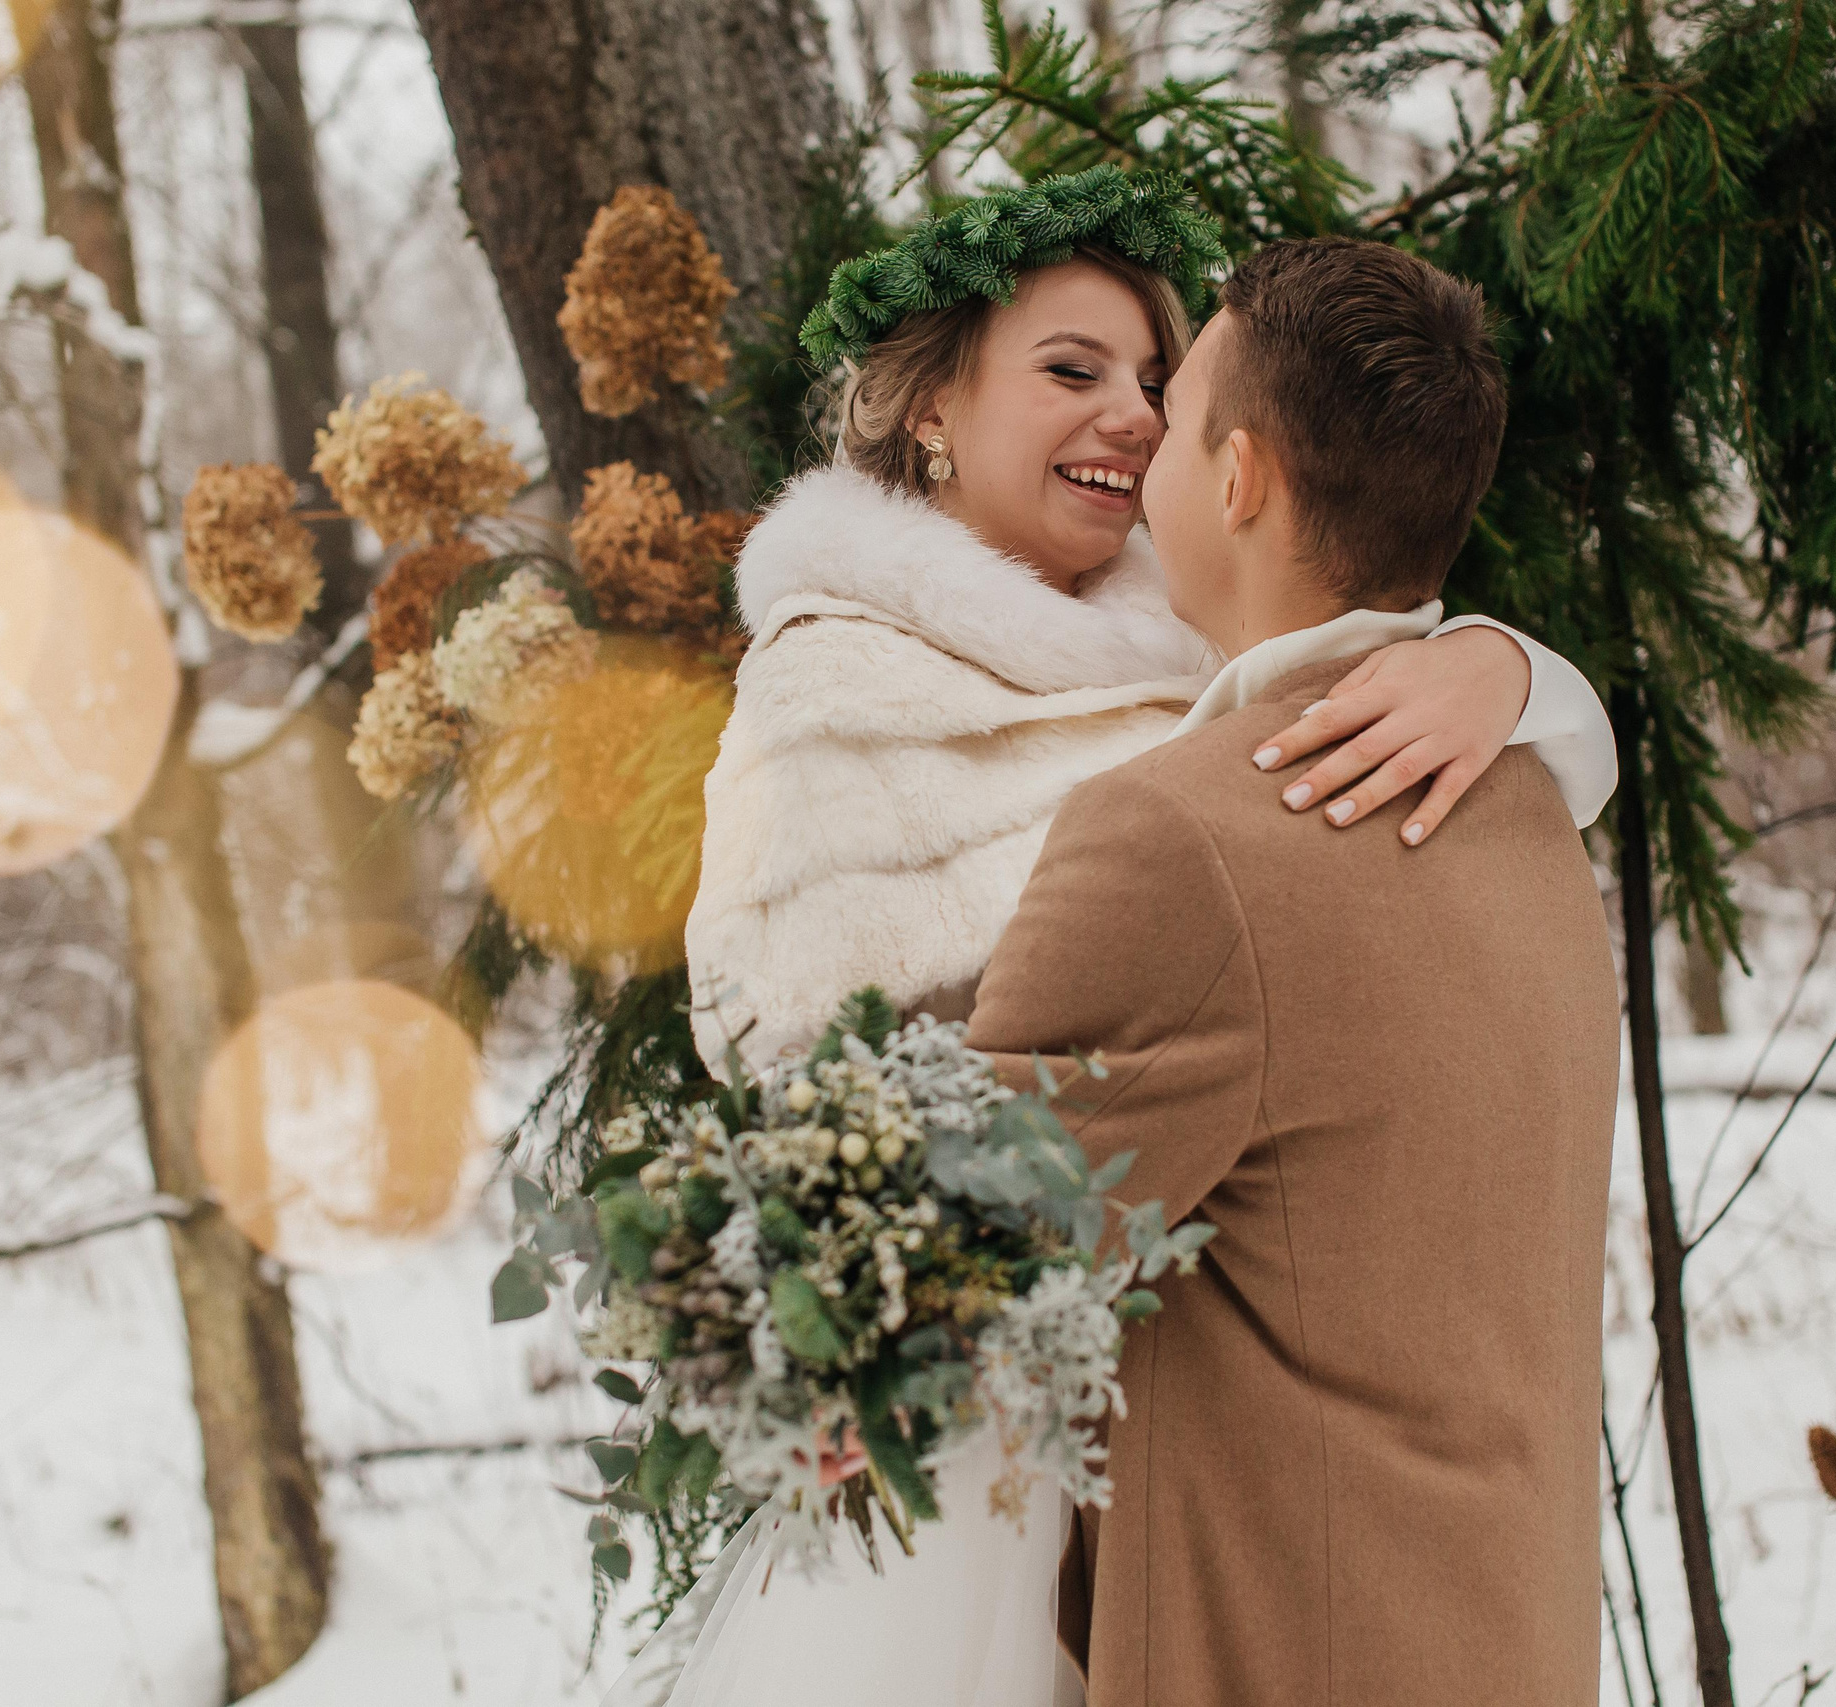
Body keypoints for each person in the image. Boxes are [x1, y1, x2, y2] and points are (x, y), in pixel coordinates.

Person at [607, 169, 1614, 1707]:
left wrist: (1512, 669)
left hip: (1231, 1506)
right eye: (1072, 372)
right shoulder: (839, 688)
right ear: (929, 409)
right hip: (1006, 1465)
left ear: (1234, 472)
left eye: (1155, 383)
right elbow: (823, 1095)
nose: (1134, 418)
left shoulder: (1226, 682)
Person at [963, 236, 1622, 1704]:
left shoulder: (1181, 838)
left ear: (1243, 478)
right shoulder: (1526, 798)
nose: (1137, 444)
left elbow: (962, 1243)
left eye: (1176, 410)